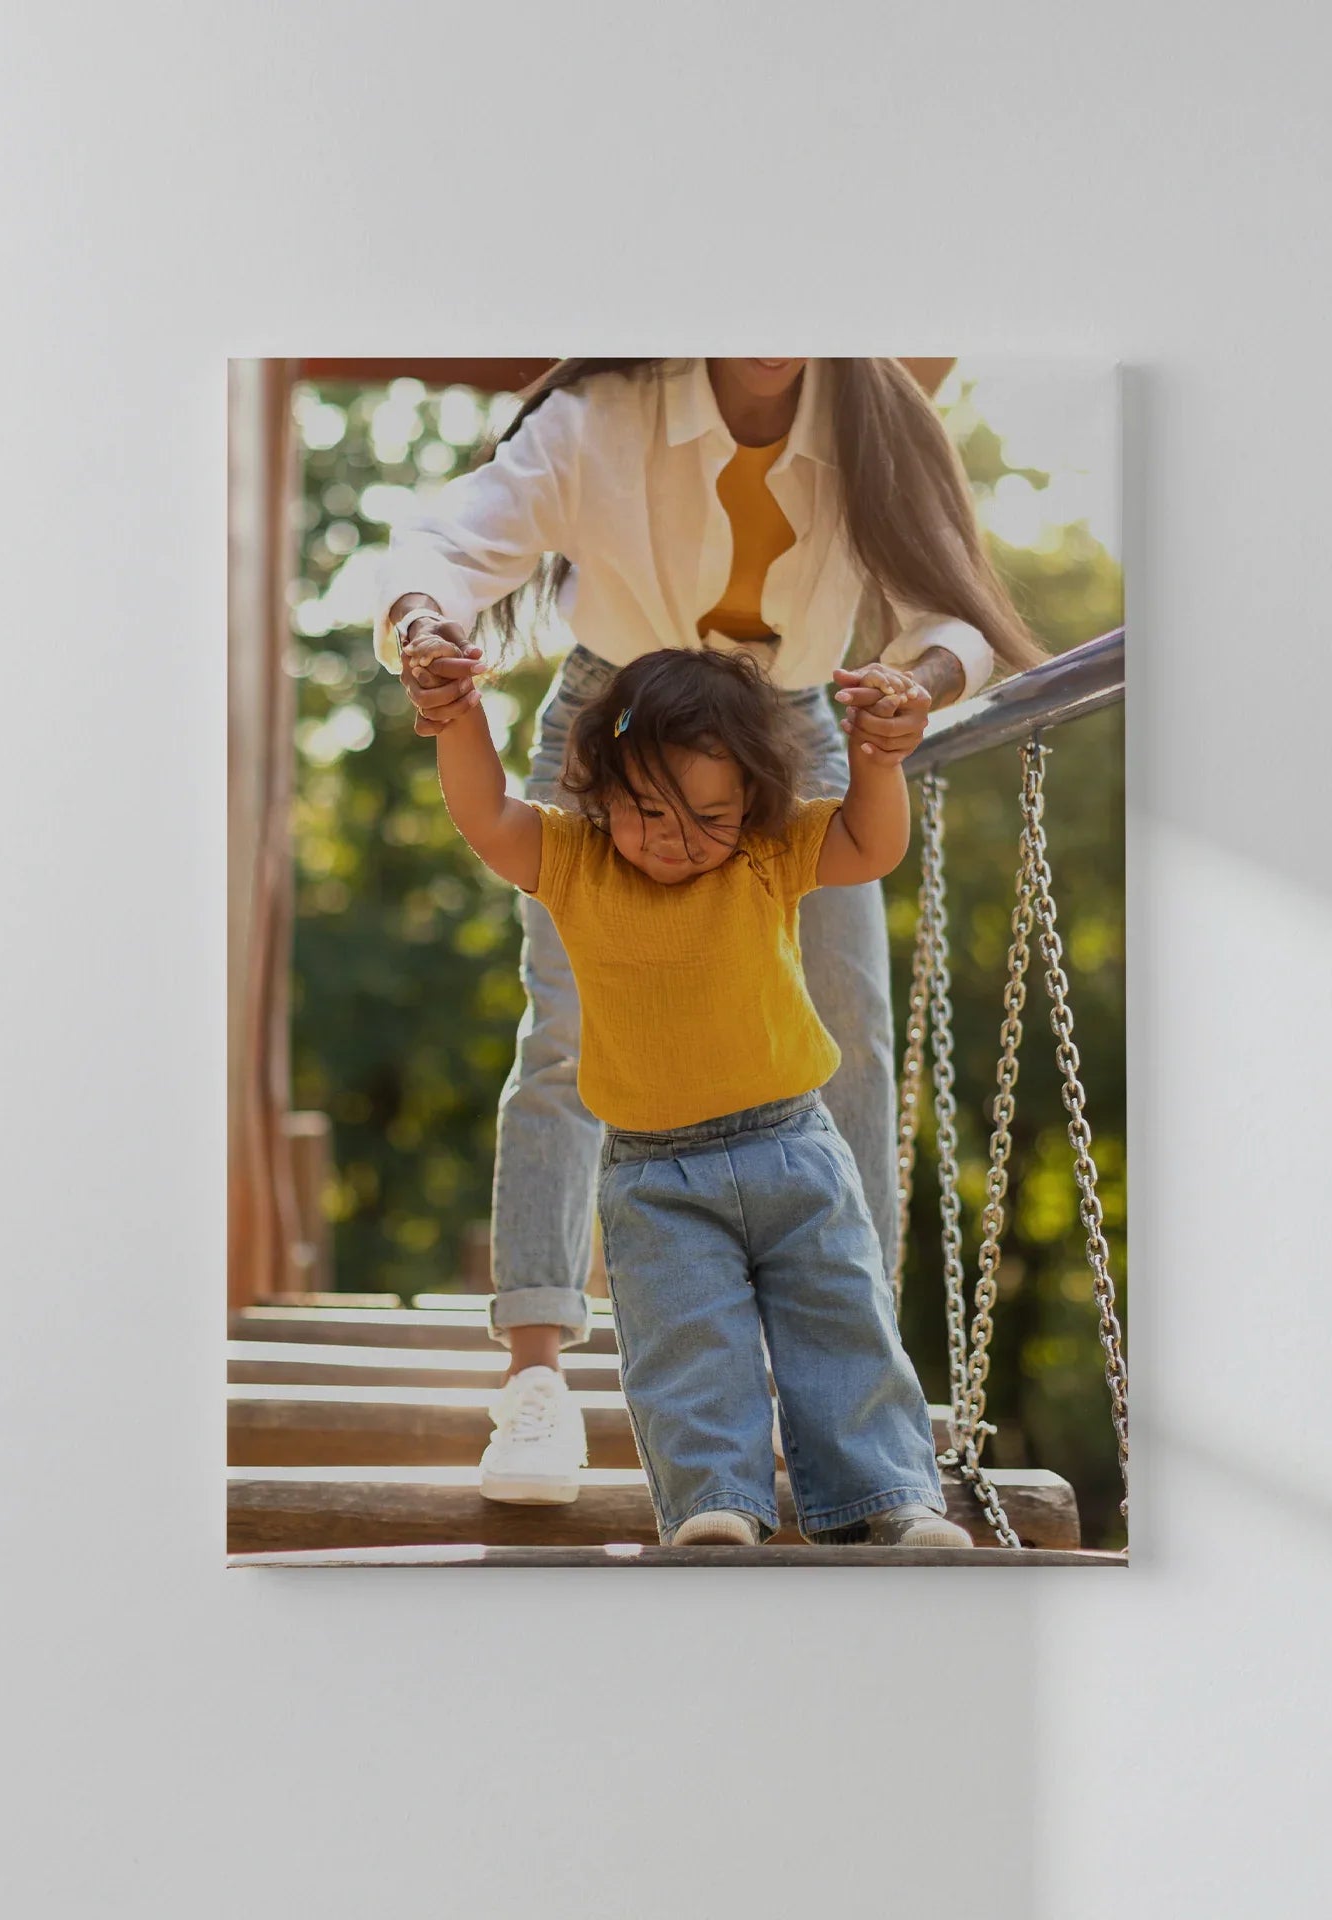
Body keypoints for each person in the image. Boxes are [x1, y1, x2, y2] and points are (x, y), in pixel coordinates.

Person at [374, 358, 1040, 1503]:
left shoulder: (875, 417)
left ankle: (849, 1386)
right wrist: (428, 628)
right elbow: (445, 540)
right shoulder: (608, 417)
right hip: (618, 723)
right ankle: (536, 1381)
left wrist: (913, 684)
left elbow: (950, 617)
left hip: (791, 728)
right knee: (572, 1035)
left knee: (848, 1038)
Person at [424, 642, 971, 1546]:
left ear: (752, 800)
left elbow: (873, 845)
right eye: (648, 811)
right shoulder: (573, 861)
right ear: (598, 788)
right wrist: (459, 717)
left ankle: (889, 1499)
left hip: (794, 1146)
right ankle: (718, 1502)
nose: (677, 838)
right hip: (655, 1175)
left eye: (709, 814)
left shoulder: (766, 852)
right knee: (687, 1346)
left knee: (843, 1321)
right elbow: (483, 812)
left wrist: (877, 760)